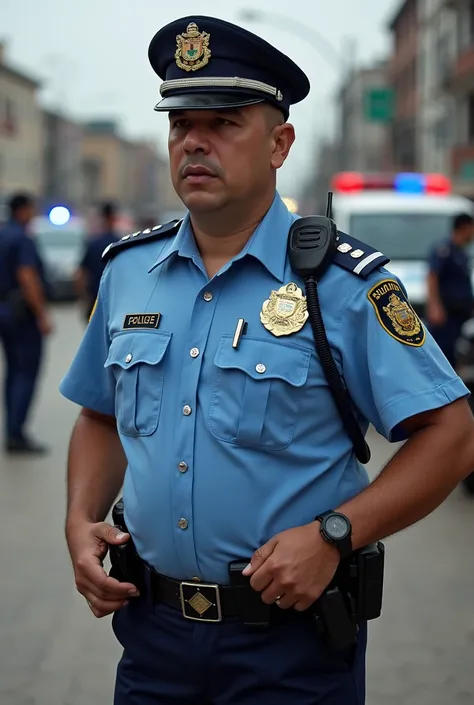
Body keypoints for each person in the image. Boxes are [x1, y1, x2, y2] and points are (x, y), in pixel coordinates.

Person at [60, 16, 474, 705]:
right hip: (151, 636)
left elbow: (453, 434)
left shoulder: (343, 283)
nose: (194, 140)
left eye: (223, 122)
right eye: (180, 123)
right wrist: (79, 520)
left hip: (290, 646)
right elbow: (99, 413)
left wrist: (336, 534)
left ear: (280, 142)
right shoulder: (130, 272)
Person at [0, 192, 52, 453]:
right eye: (32, 208)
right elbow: (27, 276)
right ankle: (16, 434)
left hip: (5, 313)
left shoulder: (3, 235)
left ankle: (11, 429)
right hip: (22, 316)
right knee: (25, 373)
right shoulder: (22, 238)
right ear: (22, 210)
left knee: (12, 374)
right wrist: (42, 315)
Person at [426, 212, 474, 368]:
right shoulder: (444, 250)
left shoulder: (462, 251)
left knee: (456, 351)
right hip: (446, 314)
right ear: (464, 227)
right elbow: (432, 277)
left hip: (460, 313)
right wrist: (434, 306)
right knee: (443, 352)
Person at [75, 201, 120, 321]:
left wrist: (83, 298)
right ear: (114, 218)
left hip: (95, 300)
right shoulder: (121, 244)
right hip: (116, 302)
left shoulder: (93, 244)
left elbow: (80, 275)